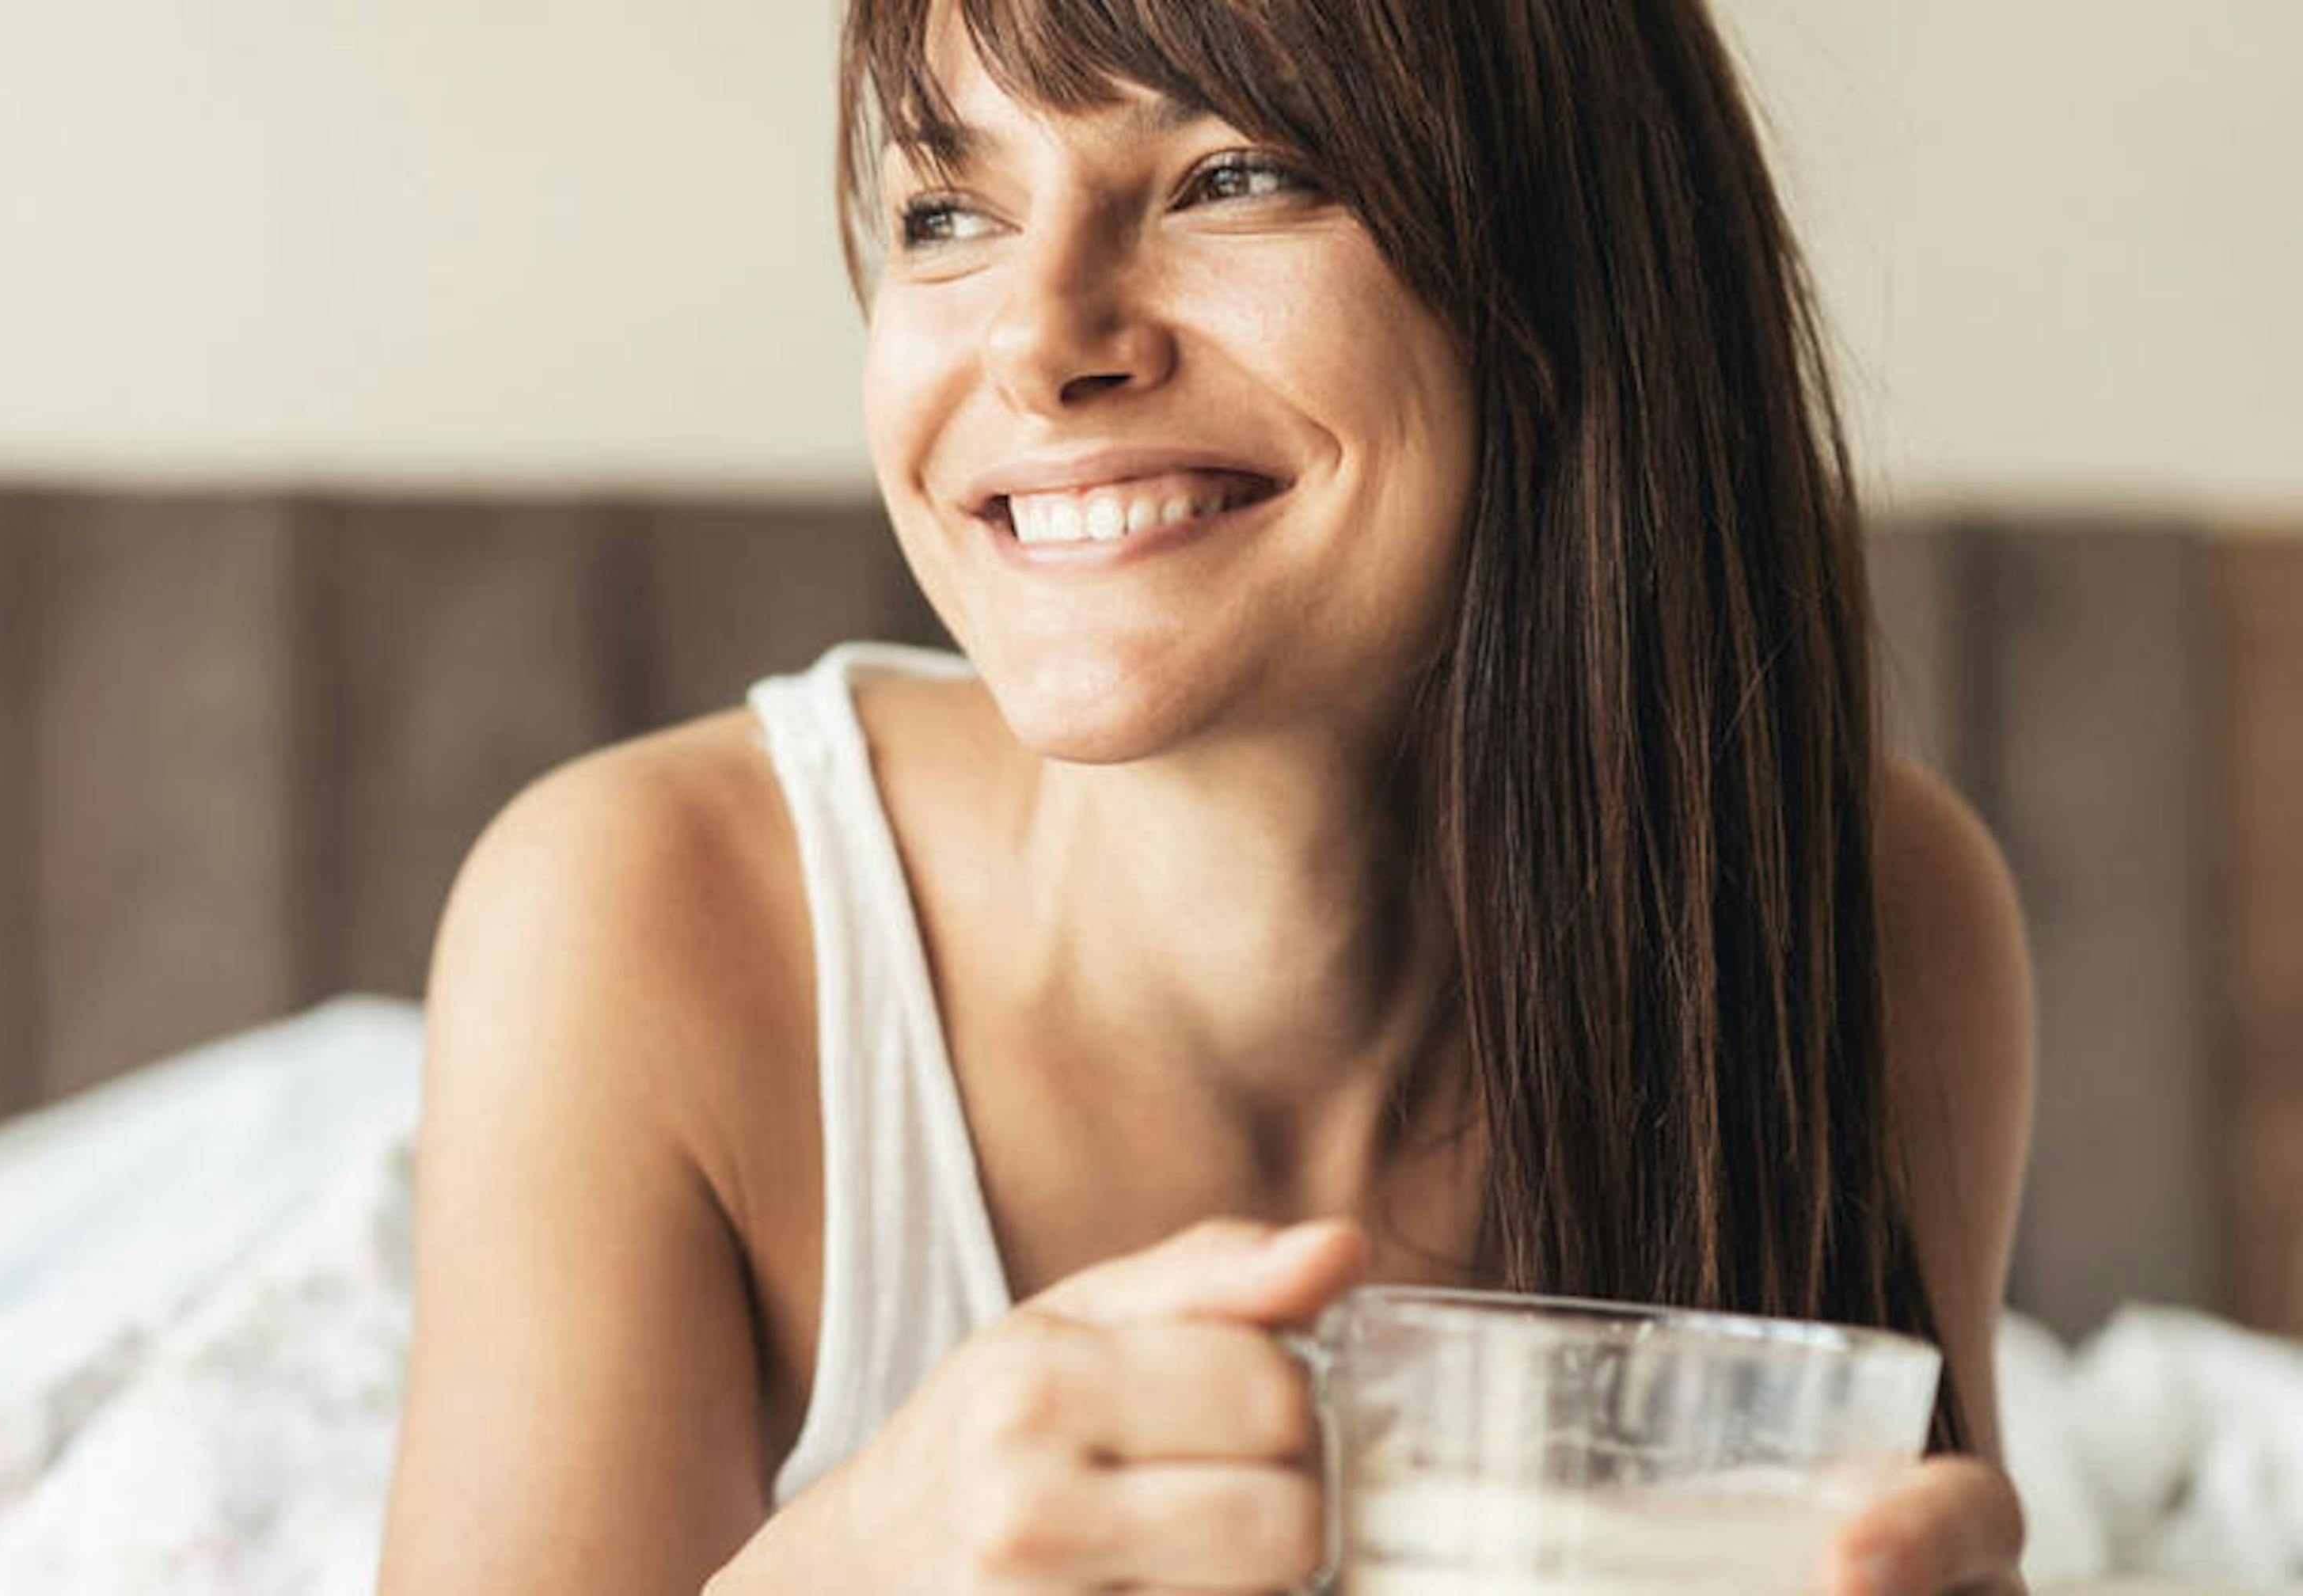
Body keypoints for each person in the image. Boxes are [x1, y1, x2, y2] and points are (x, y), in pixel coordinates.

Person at [379, 0, 2036, 1590]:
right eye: (948, 211)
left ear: (1578, 263)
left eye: (1232, 176)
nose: (1038, 341)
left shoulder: (1869, 910)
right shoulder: (641, 917)